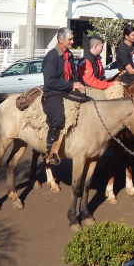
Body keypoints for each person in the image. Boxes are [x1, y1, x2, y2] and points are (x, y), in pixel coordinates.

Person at [42, 27, 91, 165]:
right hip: (53, 92)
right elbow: (50, 82)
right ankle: (51, 152)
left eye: (72, 39)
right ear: (60, 40)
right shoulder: (51, 56)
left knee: (89, 102)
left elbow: (73, 75)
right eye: (70, 39)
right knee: (58, 117)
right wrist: (72, 85)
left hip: (67, 90)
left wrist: (79, 85)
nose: (73, 42)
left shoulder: (69, 55)